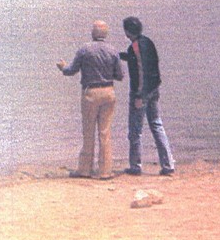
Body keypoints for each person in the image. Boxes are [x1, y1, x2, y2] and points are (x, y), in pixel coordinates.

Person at [56, 20, 124, 180]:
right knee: (105, 133)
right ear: (105, 34)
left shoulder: (84, 49)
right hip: (108, 92)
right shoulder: (113, 51)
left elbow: (71, 70)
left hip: (91, 93)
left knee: (88, 132)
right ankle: (105, 171)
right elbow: (120, 75)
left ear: (93, 33)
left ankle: (85, 169)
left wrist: (62, 67)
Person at [119, 16, 175, 176]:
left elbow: (141, 72)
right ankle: (168, 164)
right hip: (154, 90)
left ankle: (135, 166)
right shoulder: (148, 42)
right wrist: (122, 56)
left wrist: (139, 96)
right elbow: (146, 63)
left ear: (127, 32)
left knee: (135, 131)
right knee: (157, 125)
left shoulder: (134, 47)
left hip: (141, 93)